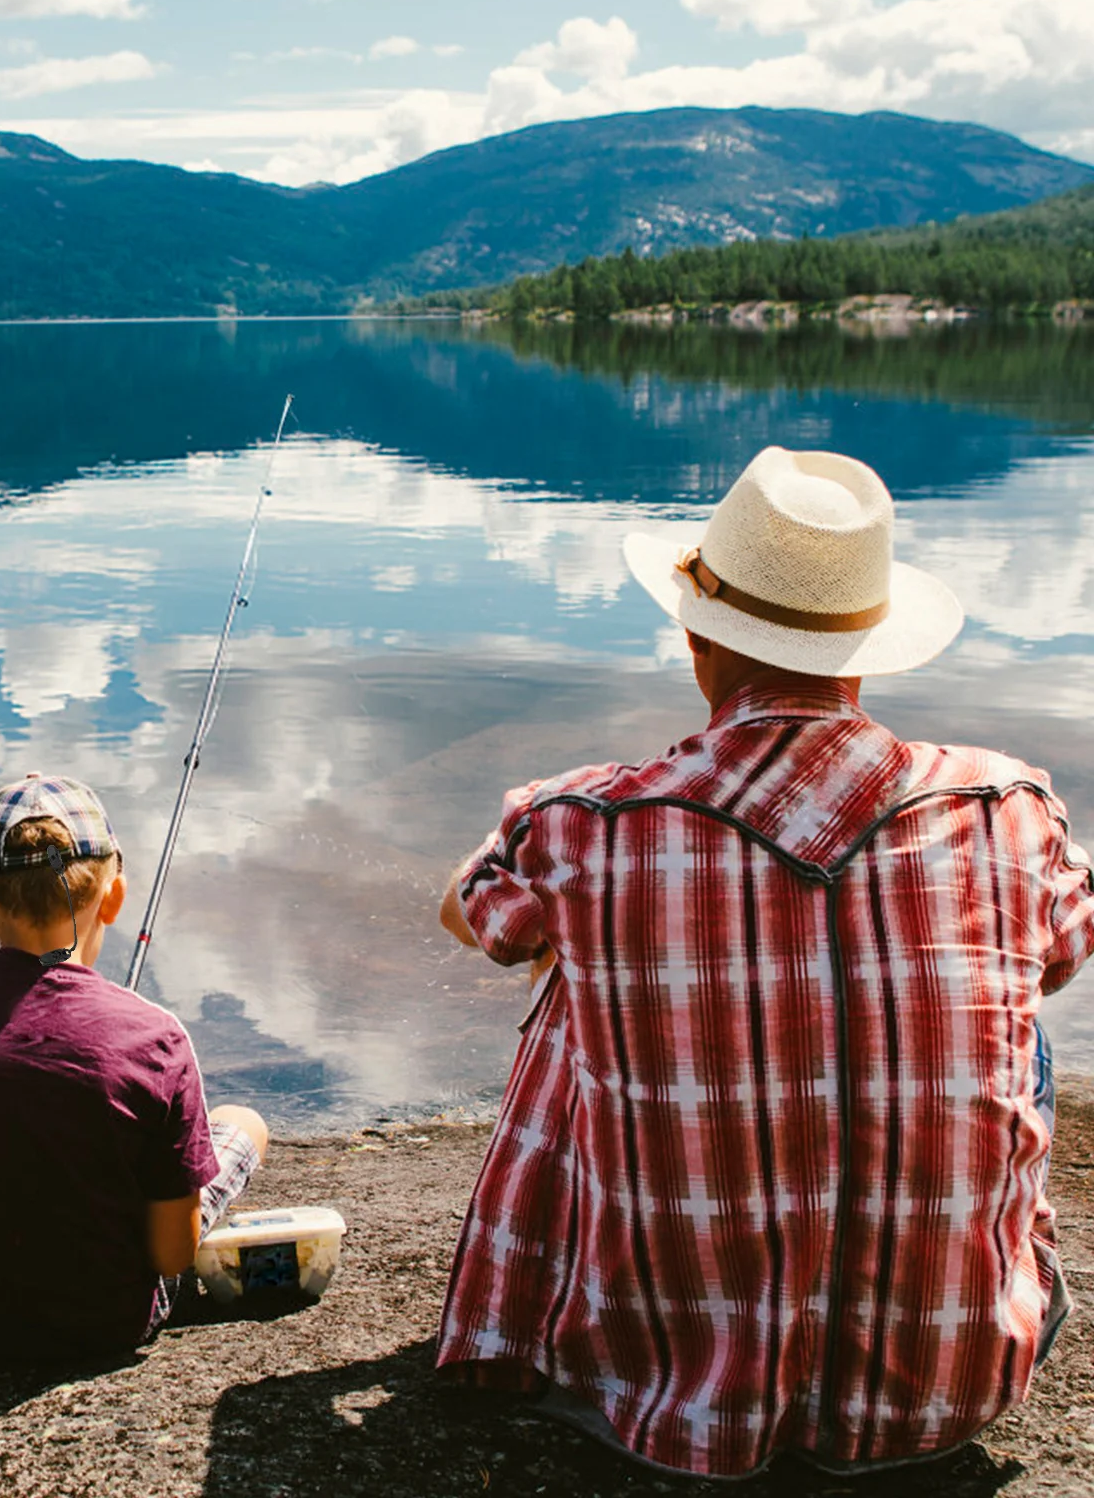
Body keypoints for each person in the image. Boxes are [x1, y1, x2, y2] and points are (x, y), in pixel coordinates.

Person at [435, 446, 1088, 1477]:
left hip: (664, 1404)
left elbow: (467, 914)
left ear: (698, 640)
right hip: (956, 1386)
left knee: (575, 977)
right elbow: (1058, 961)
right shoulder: (1006, 809)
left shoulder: (585, 821)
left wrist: (610, 909)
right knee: (1011, 998)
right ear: (862, 654)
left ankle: (585, 1318)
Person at [0, 772, 268, 1361]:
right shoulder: (159, 1037)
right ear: (115, 898)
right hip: (101, 1319)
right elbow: (172, 1257)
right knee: (244, 1123)